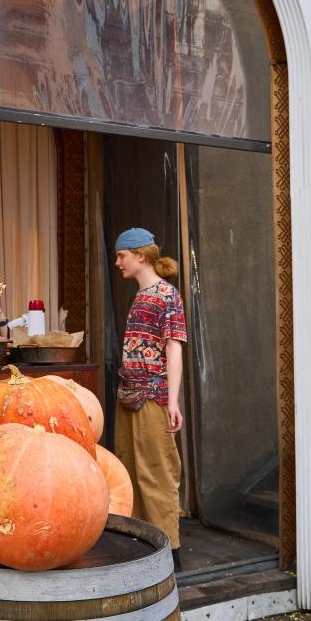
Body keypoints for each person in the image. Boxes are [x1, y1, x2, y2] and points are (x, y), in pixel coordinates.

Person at [112, 227, 187, 573]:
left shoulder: (166, 295)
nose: (117, 263)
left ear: (140, 256)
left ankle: (170, 552)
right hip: (128, 396)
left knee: (157, 472)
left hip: (153, 397)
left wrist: (172, 401)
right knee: (129, 469)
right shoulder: (141, 296)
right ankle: (143, 543)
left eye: (121, 256)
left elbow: (174, 348)